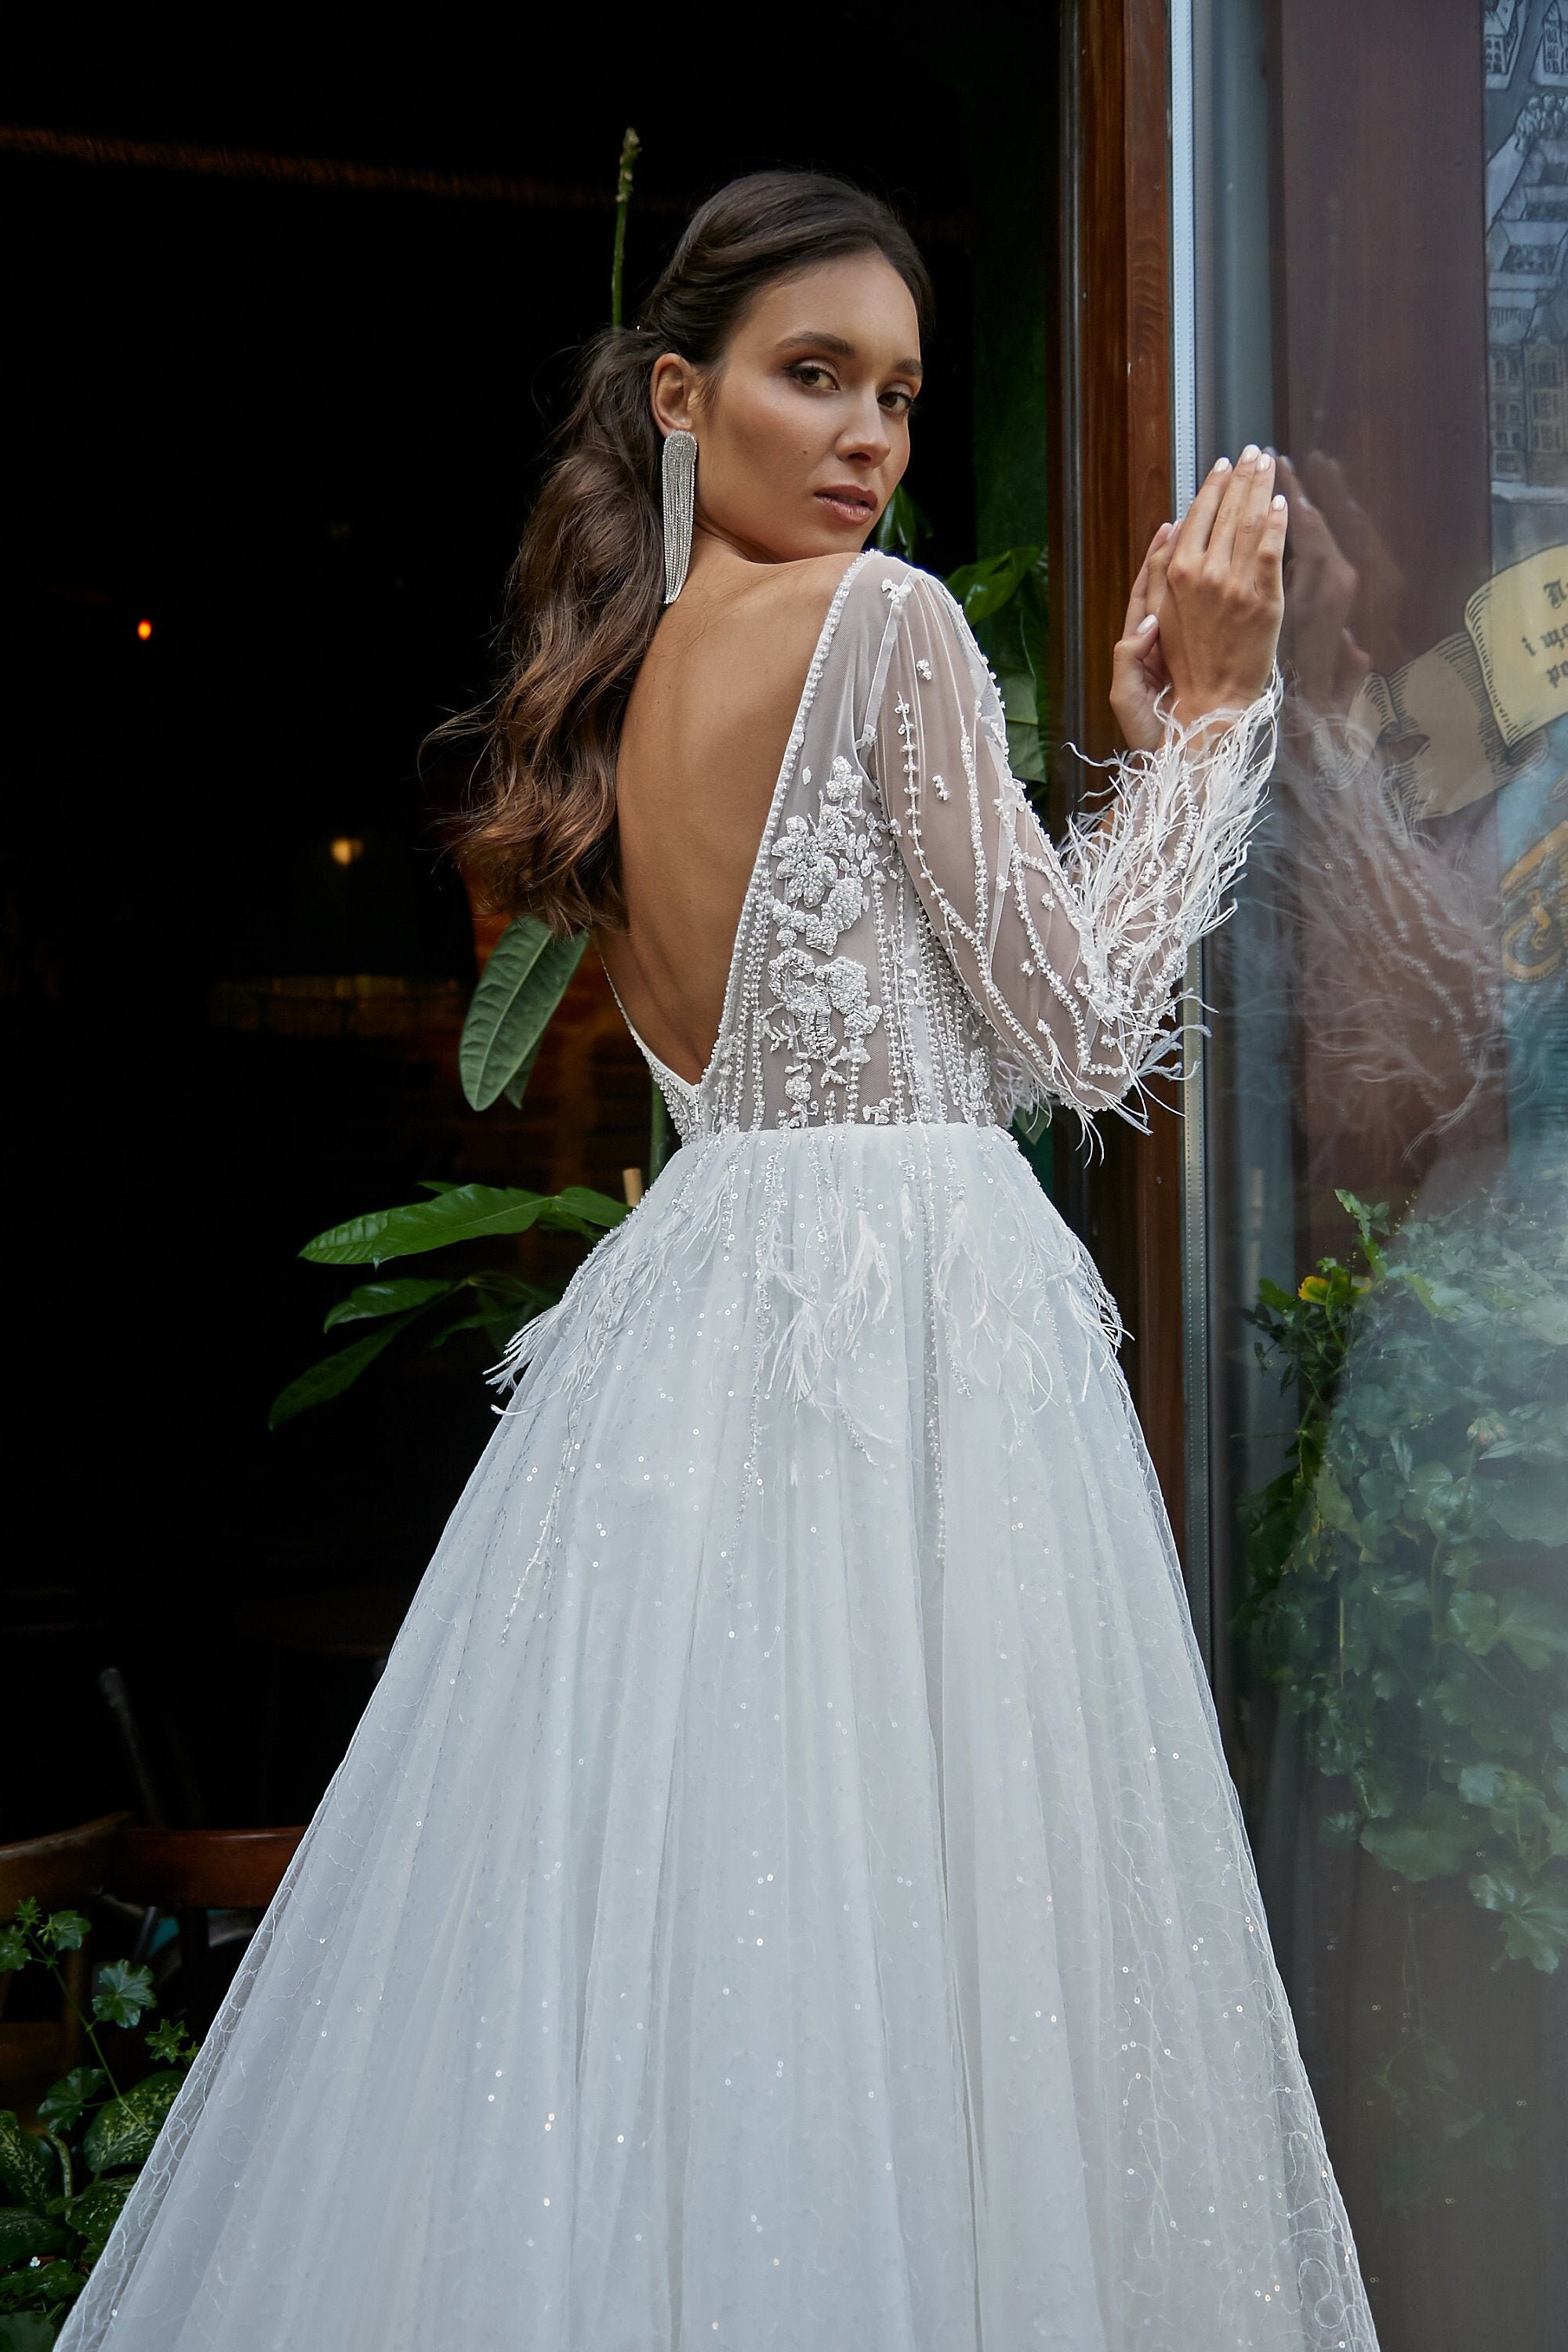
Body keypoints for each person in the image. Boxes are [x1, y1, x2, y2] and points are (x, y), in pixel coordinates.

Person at [58, 172, 1379, 2351]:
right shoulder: (881, 627)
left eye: (899, 397)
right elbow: (1072, 1038)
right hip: (914, 1351)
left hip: (712, 1340)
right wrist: (1224, 717)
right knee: (933, 1960)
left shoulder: (648, 673)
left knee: (725, 1958)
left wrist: (1140, 755)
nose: (866, 437)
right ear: (681, 396)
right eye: (812, 376)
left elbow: (920, 1013)